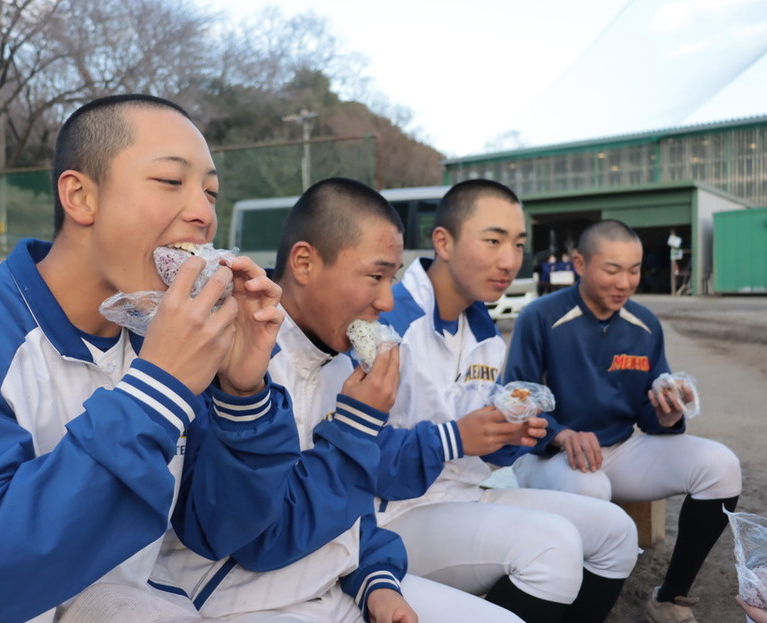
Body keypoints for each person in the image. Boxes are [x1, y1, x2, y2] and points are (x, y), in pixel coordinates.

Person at [0, 94, 302, 623]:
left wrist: (243, 394)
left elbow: (217, 529)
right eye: (171, 182)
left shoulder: (155, 347)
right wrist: (159, 392)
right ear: (80, 196)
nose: (202, 213)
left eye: (211, 192)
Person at [162, 177, 525, 622]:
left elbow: (356, 505)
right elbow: (254, 538)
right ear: (304, 263)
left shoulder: (340, 365)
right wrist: (355, 425)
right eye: (376, 276)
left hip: (336, 582)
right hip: (236, 598)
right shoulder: (229, 364)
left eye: (392, 278)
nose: (387, 301)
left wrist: (377, 581)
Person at [376, 179, 639, 622]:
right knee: (552, 547)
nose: (509, 261)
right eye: (493, 240)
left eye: (518, 244)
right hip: (392, 516)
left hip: (463, 496)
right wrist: (455, 438)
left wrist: (512, 436)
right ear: (443, 241)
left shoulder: (485, 335)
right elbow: (352, 452)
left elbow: (485, 461)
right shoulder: (388, 321)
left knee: (617, 532)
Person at [502, 219, 743, 623]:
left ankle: (668, 598)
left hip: (618, 448)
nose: (625, 282)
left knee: (722, 467)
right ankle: (568, 603)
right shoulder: (540, 317)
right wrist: (561, 435)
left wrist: (666, 415)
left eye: (633, 270)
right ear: (580, 263)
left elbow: (652, 411)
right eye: (612, 269)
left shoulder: (645, 323)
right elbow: (515, 400)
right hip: (546, 459)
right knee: (590, 488)